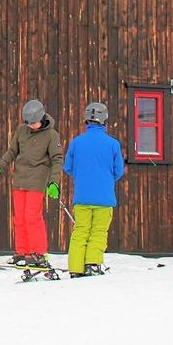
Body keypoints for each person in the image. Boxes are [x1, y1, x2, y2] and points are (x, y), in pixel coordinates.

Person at [0, 99, 64, 267]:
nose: (31, 126)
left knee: (32, 216)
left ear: (41, 118)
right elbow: (12, 152)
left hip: (37, 180)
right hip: (20, 179)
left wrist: (54, 183)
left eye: (34, 123)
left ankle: (38, 253)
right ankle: (22, 252)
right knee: (19, 218)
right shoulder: (22, 130)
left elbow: (57, 159)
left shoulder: (51, 135)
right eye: (28, 123)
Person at [62, 101, 125, 276]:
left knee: (80, 231)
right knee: (98, 231)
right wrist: (105, 179)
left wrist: (82, 176)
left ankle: (75, 268)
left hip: (82, 196)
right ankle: (93, 264)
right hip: (104, 198)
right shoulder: (113, 144)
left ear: (86, 121)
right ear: (104, 120)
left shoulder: (76, 143)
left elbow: (67, 167)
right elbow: (119, 170)